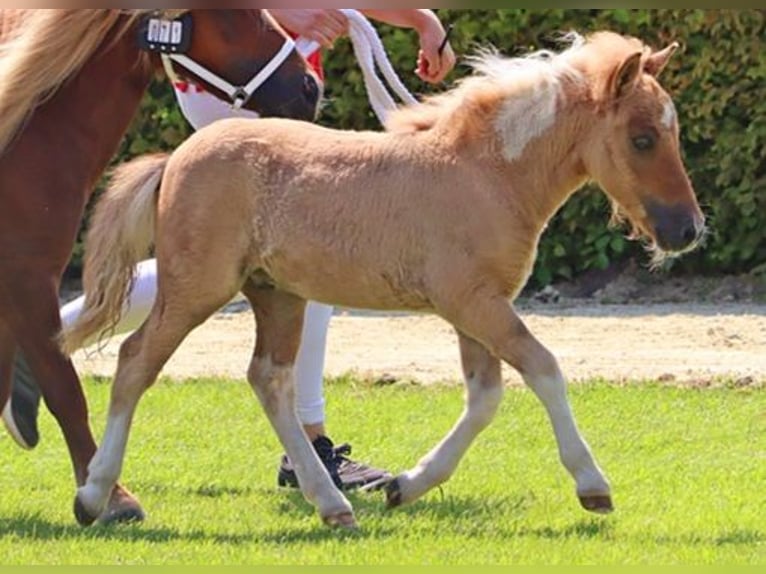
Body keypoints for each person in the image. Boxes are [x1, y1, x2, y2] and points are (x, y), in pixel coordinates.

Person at [2, 9, 456, 491]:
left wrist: (421, 19)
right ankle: (308, 443)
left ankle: (50, 339)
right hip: (237, 73)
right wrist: (290, 13)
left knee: (228, 262)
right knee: (304, 256)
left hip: (262, 66)